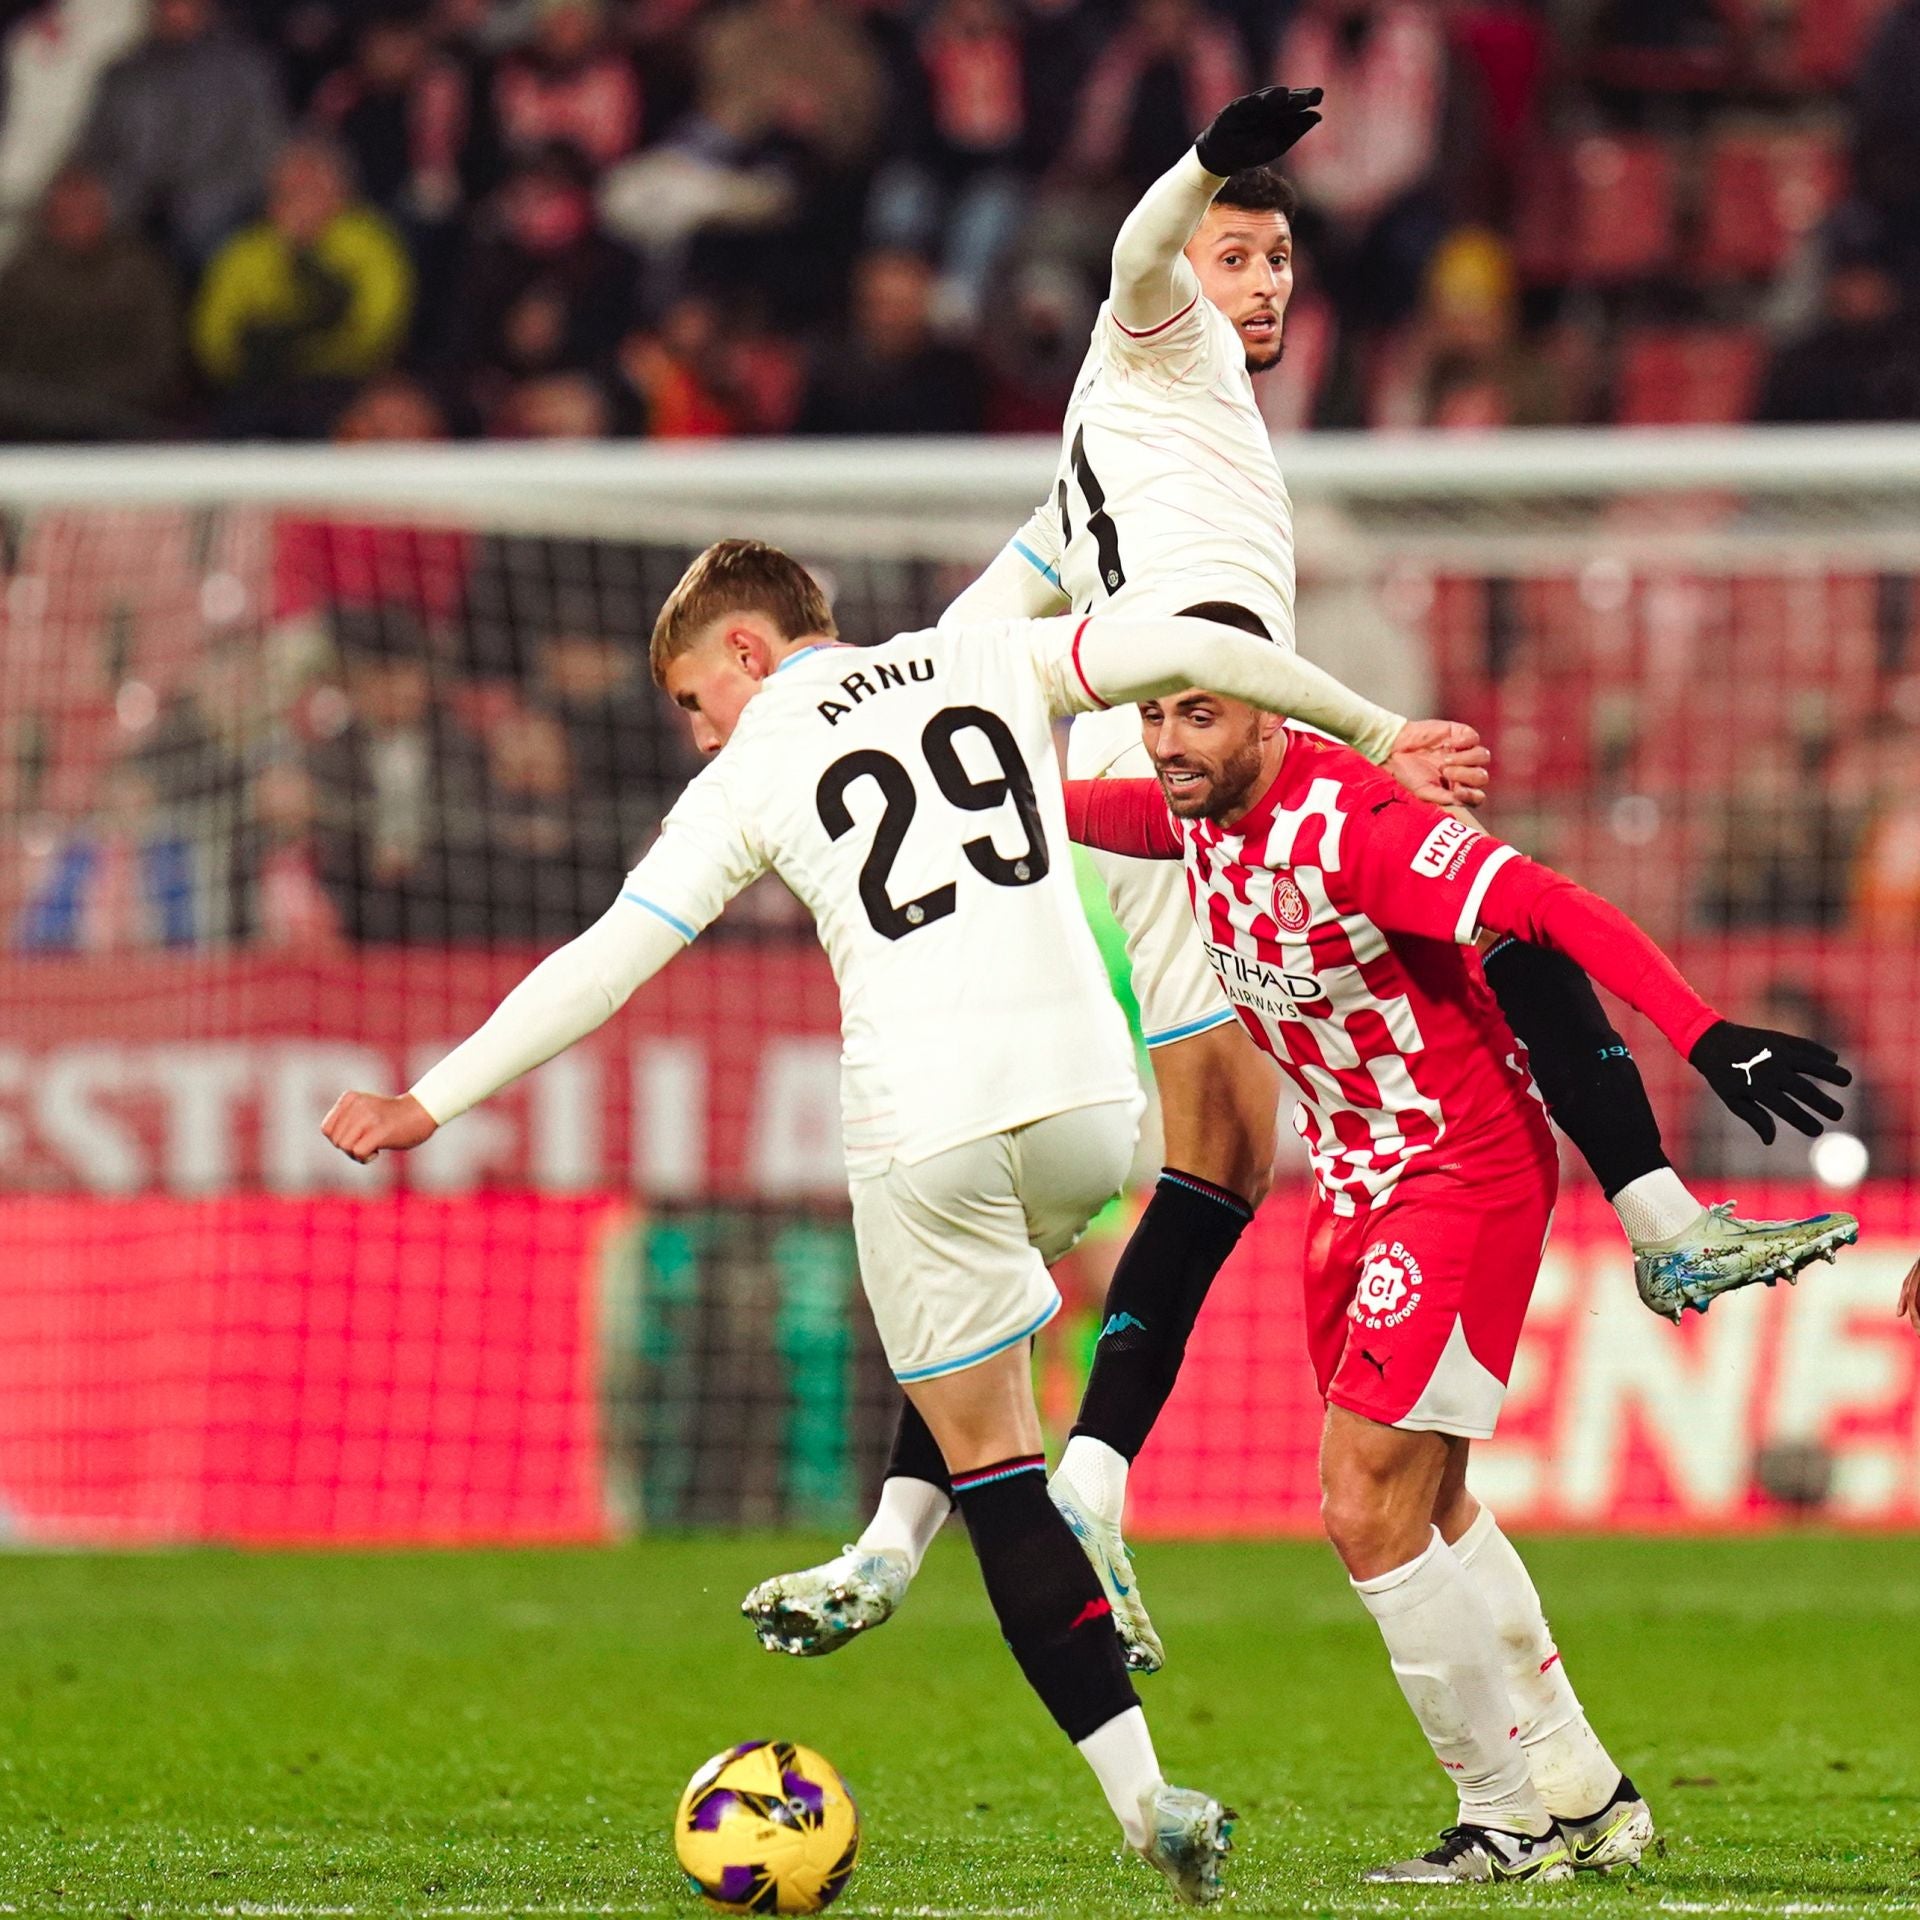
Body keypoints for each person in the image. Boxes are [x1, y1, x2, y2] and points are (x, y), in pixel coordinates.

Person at [748, 85, 1853, 1680]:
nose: (1261, 285)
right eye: (1238, 253)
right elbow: (1139, 259)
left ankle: (969, 1511)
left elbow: (987, 622)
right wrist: (1193, 164)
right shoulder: (1151, 342)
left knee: (1214, 1121)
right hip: (1195, 764)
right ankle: (1098, 1480)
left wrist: (871, 697)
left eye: (1279, 261)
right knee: (1372, 1011)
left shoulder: (1121, 458)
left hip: (1143, 770)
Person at [321, 544, 1485, 1905]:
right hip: (1093, 1118)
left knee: (995, 1454)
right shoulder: (987, 650)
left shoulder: (750, 770)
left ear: (750, 655)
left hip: (926, 1126)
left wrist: (429, 1098)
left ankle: (1141, 1793)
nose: (698, 732)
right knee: (983, 1312)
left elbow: (605, 960)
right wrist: (1378, 729)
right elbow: (1201, 651)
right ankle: (890, 1538)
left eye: (697, 700)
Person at [1060, 674, 1856, 1882]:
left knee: (1361, 1505)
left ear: (1275, 715)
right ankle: (1584, 1796)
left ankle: (1504, 1819)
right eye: (1157, 718)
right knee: (1428, 1508)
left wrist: (1704, 1032)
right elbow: (1085, 810)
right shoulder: (1192, 811)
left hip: (1457, 1174)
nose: (1170, 744)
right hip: (1353, 1189)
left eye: (1201, 716)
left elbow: (1551, 908)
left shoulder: (1359, 826)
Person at [192, 137, 414, 438]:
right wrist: (251, 358)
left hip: (342, 383)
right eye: (289, 193)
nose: (300, 203)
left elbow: (379, 323)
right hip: (257, 383)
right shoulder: (248, 250)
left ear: (339, 192)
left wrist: (309, 349)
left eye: (311, 191)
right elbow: (213, 333)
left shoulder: (369, 241)